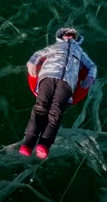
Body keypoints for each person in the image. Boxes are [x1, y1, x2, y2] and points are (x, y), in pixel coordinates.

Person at [20, 27, 97, 159]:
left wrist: (90, 78)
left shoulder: (80, 51)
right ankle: (28, 142)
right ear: (61, 36)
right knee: (40, 108)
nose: (70, 36)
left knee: (56, 113)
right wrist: (32, 63)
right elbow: (39, 54)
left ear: (76, 38)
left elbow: (92, 66)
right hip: (48, 76)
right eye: (67, 34)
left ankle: (44, 144)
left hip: (67, 82)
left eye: (73, 35)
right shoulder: (55, 47)